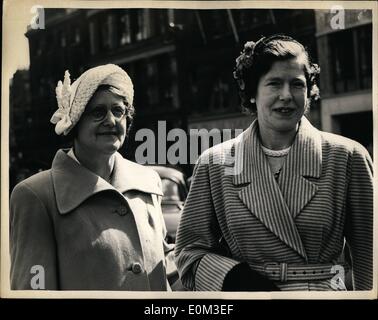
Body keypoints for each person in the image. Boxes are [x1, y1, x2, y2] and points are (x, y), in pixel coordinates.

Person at [174, 35, 373, 291]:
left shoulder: (347, 157)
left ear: (309, 90)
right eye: (274, 84)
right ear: (252, 92)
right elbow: (189, 252)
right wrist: (236, 280)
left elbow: (370, 256)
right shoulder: (215, 164)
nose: (287, 95)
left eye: (297, 84)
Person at [10, 64, 177, 290]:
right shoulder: (36, 196)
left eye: (118, 111)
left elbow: (165, 267)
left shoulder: (149, 181)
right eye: (98, 112)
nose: (111, 120)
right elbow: (34, 291)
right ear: (76, 122)